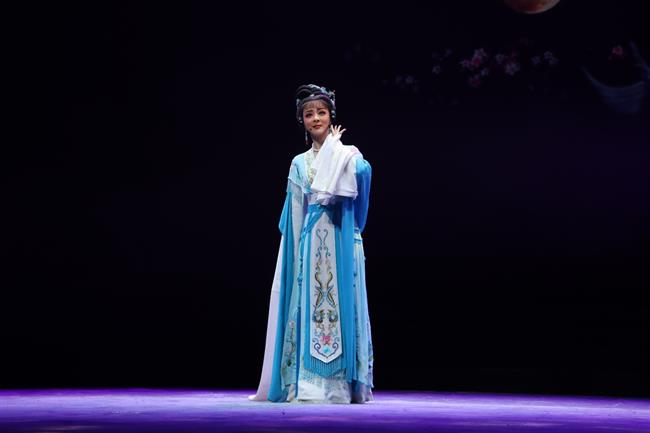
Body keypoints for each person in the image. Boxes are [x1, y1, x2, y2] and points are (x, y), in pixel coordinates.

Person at [249, 84, 374, 404]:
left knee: (344, 306)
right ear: (302, 121)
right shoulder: (299, 163)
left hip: (340, 238)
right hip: (312, 244)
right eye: (309, 114)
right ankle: (306, 384)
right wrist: (292, 255)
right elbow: (295, 212)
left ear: (331, 116)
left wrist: (337, 151)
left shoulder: (349, 156)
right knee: (311, 305)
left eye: (321, 112)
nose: (316, 118)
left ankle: (345, 385)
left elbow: (362, 187)